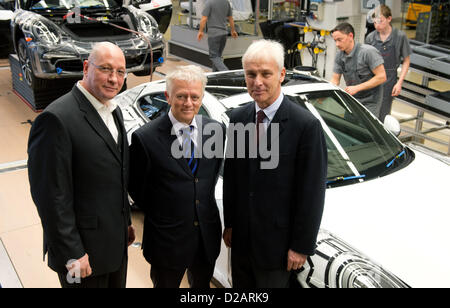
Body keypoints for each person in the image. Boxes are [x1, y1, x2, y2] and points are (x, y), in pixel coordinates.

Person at [27, 42, 135, 288]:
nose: (114, 79)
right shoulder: (56, 119)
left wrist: (125, 222)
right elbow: (51, 197)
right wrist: (72, 252)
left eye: (120, 72)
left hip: (114, 246)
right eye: (106, 69)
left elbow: (116, 173)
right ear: (86, 67)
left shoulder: (112, 109)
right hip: (81, 256)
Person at [222, 39, 328, 288]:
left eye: (265, 74)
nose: (257, 81)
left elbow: (311, 192)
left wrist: (301, 246)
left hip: (278, 250)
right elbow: (234, 178)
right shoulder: (238, 118)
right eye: (251, 74)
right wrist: (230, 224)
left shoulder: (305, 126)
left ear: (281, 74)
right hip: (241, 244)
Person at [128, 65, 225, 288]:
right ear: (168, 97)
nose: (188, 103)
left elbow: (206, 179)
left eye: (194, 96)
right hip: (167, 241)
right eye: (181, 96)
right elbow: (137, 190)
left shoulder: (216, 130)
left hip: (206, 237)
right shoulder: (146, 138)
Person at [365, 4, 412, 122]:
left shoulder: (400, 36)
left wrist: (399, 83)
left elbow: (406, 61)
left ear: (389, 19)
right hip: (371, 78)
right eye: (375, 23)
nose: (377, 25)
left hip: (389, 80)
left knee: (383, 114)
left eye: (380, 22)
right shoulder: (370, 38)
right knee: (367, 112)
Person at [331, 22, 387, 117]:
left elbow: (382, 77)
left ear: (350, 36)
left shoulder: (368, 52)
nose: (337, 44)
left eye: (340, 40)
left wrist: (357, 88)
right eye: (335, 40)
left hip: (370, 102)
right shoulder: (339, 56)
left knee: (366, 129)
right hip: (352, 100)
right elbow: (335, 80)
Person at [197, 0, 238, 72]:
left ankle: (226, 73)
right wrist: (233, 30)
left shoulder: (209, 2)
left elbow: (204, 19)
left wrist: (200, 31)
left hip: (214, 34)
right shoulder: (226, 2)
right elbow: (230, 18)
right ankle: (215, 74)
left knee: (214, 56)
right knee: (218, 56)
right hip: (224, 34)